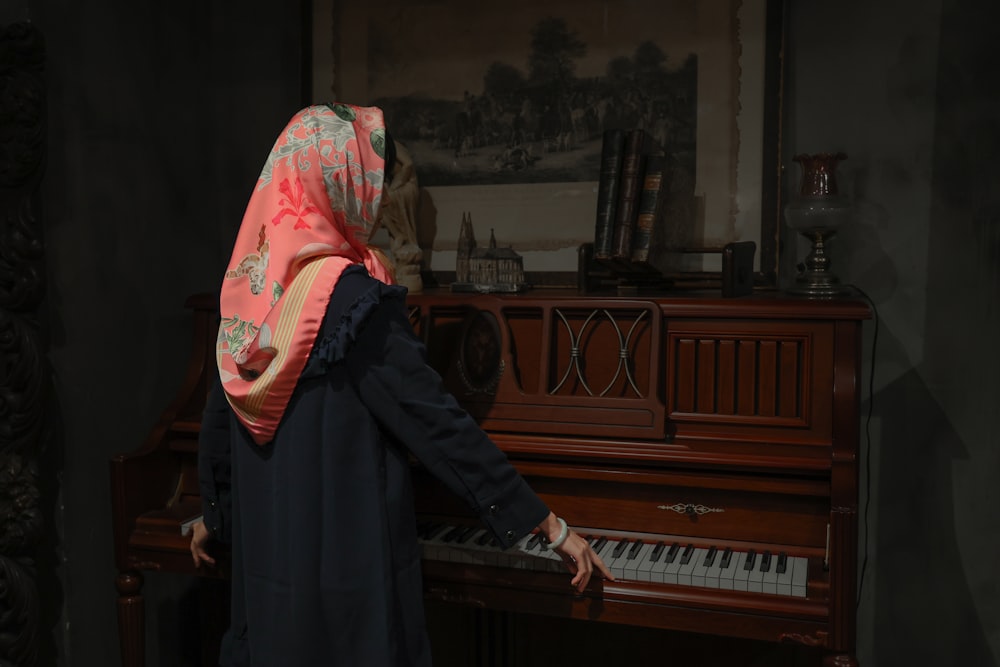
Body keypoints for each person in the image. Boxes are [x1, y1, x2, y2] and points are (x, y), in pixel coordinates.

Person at [189, 103, 612, 667]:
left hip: (269, 559)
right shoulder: (356, 301)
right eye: (368, 177)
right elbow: (437, 422)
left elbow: (221, 416)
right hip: (342, 566)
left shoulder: (248, 288)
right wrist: (548, 525)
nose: (377, 194)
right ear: (339, 184)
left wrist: (212, 516)